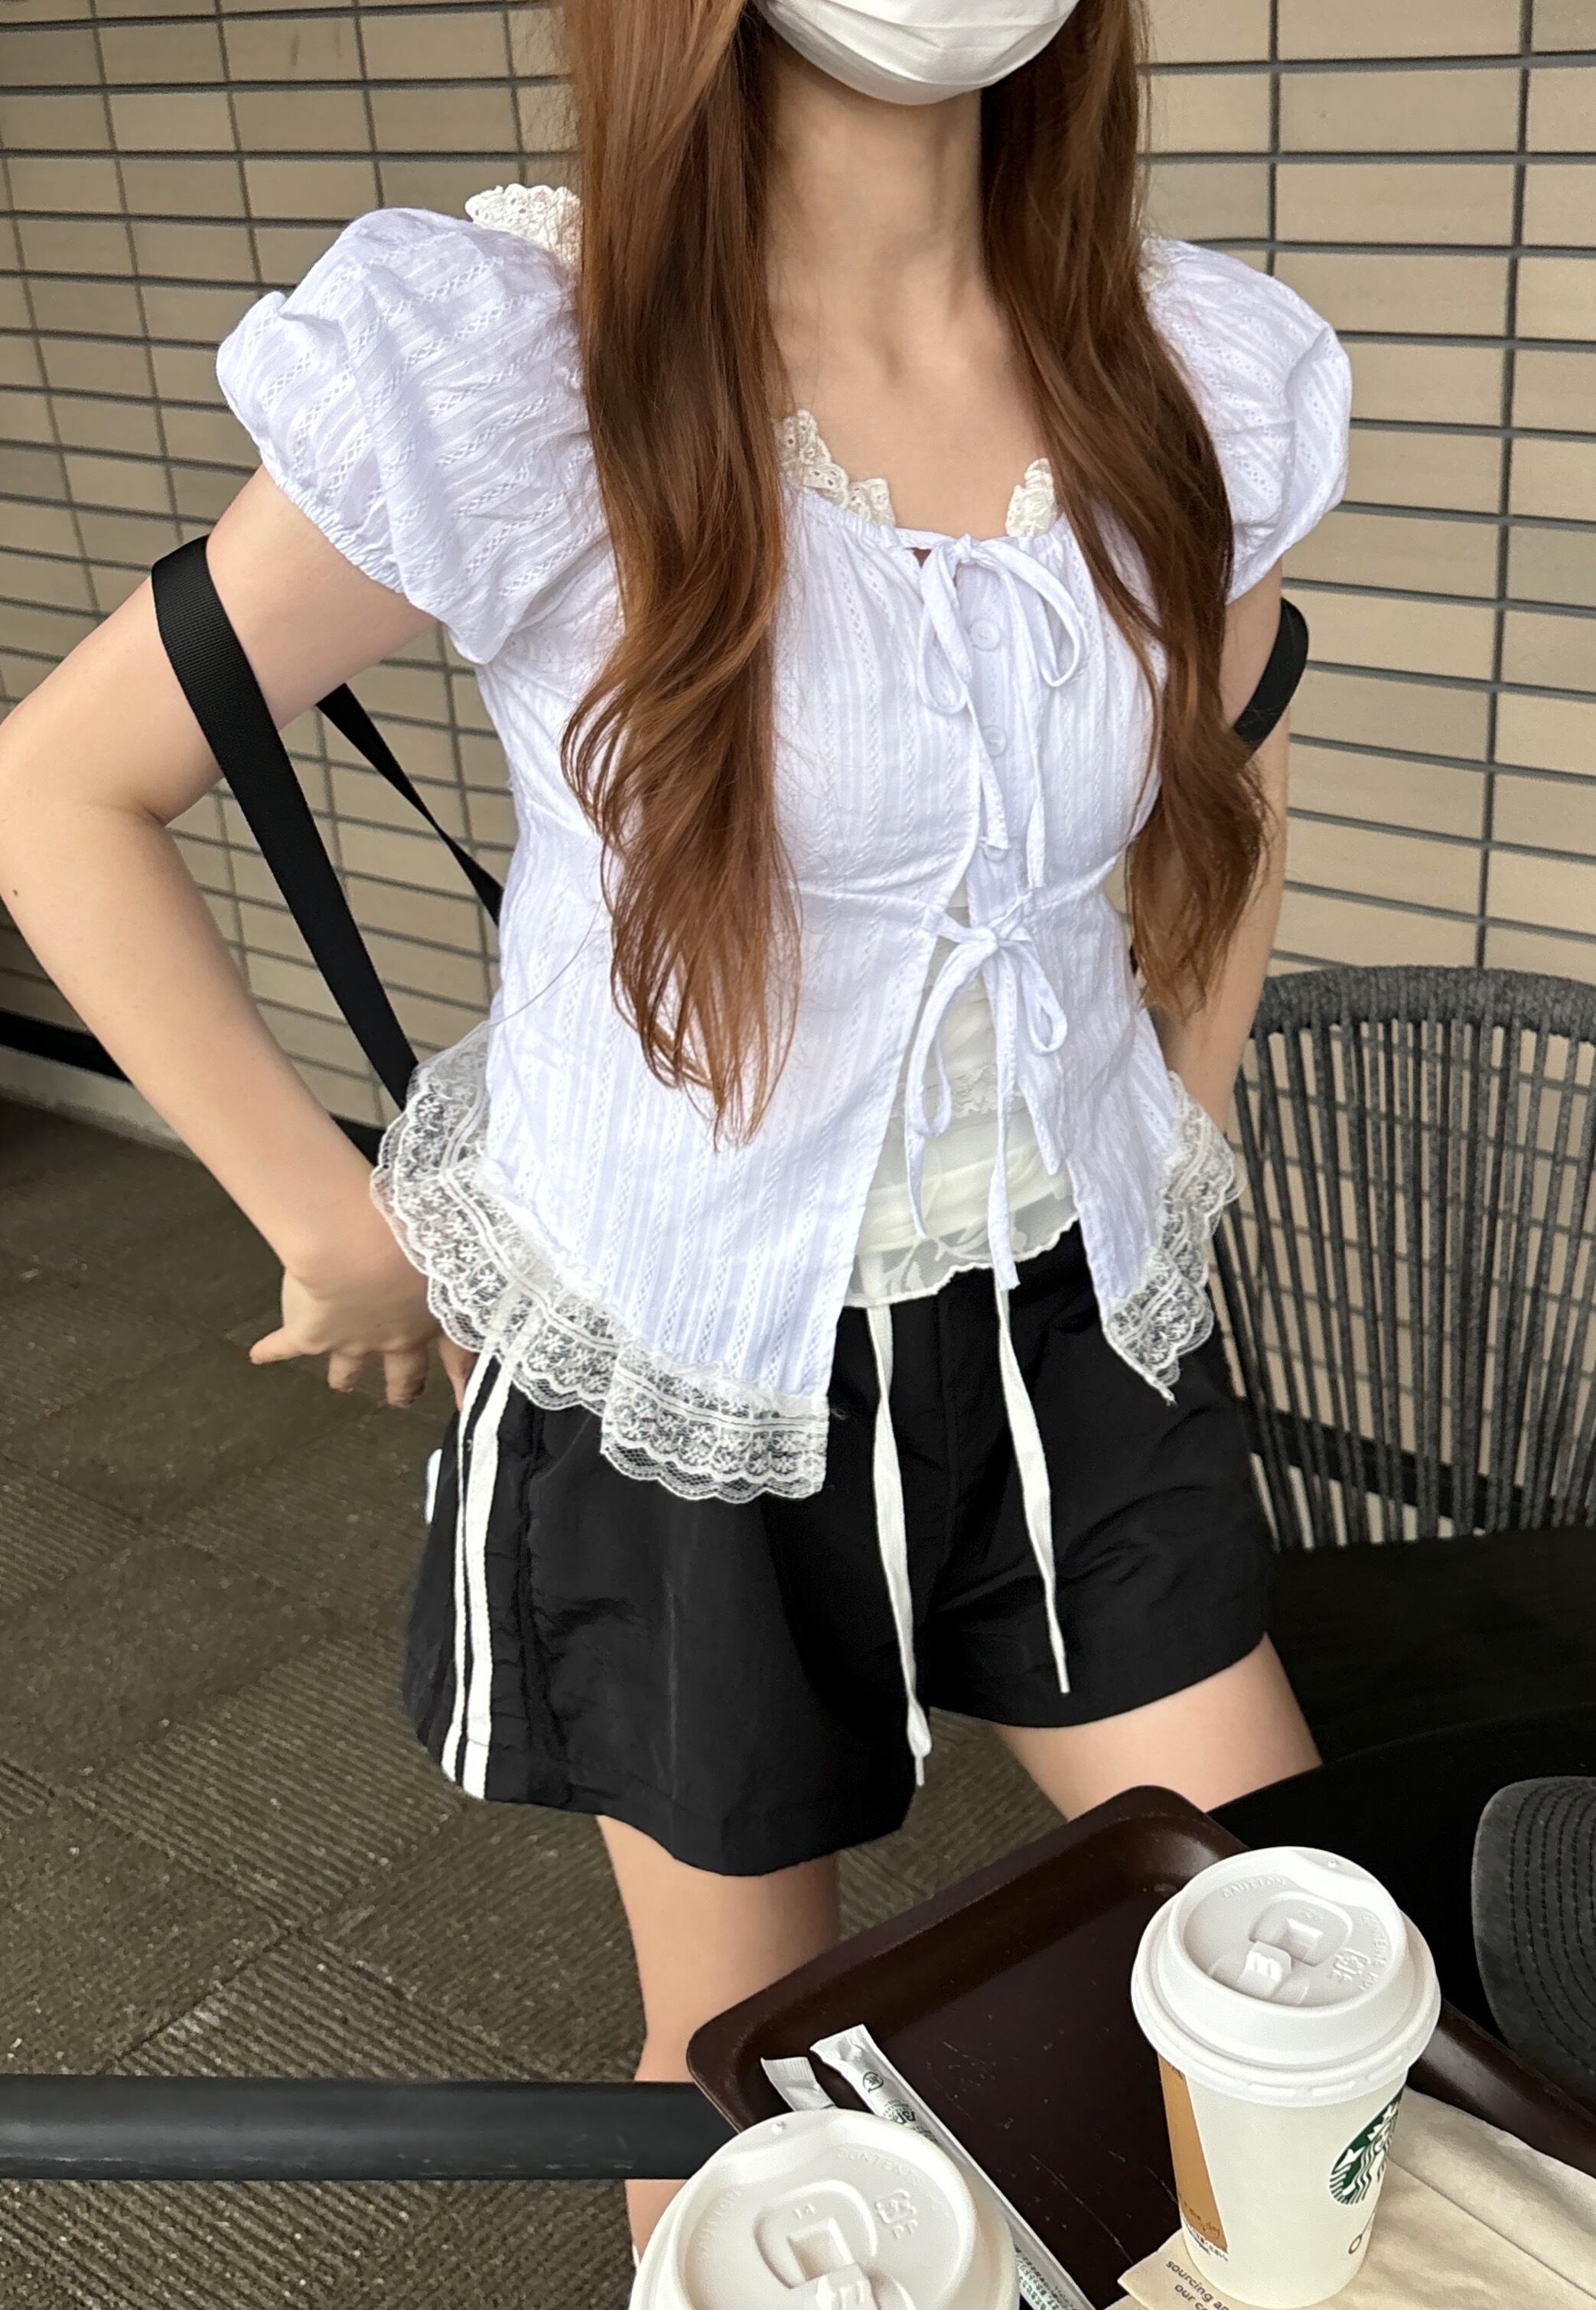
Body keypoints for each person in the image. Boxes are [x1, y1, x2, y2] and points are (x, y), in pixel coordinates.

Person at [0, 0, 1350, 2256]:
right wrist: (336, 1227)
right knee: (750, 2064)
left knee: (1292, 1945)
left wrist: (1169, 1140)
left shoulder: (1188, 368)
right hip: (694, 1359)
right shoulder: (528, 372)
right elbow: (60, 787)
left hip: (1068, 1333)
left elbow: (1236, 761)